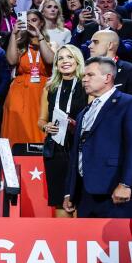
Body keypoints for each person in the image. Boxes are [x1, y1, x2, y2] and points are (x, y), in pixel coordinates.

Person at [63, 57, 132, 218]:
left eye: (90, 75)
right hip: (84, 193)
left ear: (107, 78)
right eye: (84, 76)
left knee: (116, 242)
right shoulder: (84, 112)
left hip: (114, 191)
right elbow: (77, 152)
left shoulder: (130, 104)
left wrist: (126, 184)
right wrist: (70, 191)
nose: (84, 79)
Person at [38, 44, 87, 216]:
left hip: (78, 149)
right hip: (55, 150)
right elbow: (41, 119)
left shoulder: (86, 85)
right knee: (59, 201)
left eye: (69, 57)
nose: (65, 61)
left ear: (77, 60)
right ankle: (64, 240)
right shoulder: (49, 87)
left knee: (78, 199)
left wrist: (76, 125)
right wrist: (46, 126)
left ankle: (80, 241)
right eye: (60, 58)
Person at [2, 10, 56, 147]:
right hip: (20, 94)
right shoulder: (19, 44)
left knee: (39, 129)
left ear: (41, 22)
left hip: (42, 92)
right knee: (18, 131)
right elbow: (11, 60)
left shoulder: (51, 44)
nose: (30, 24)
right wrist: (14, 35)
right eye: (27, 21)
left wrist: (39, 36)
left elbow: (50, 60)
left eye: (34, 20)